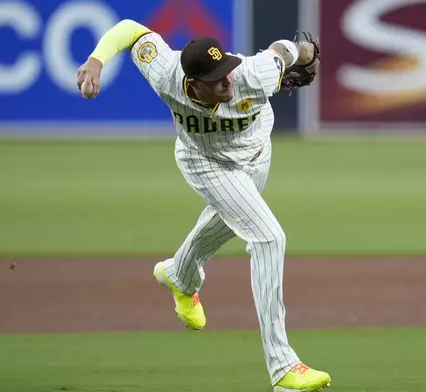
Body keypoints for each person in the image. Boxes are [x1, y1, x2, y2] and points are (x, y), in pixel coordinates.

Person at [76, 19, 329, 392]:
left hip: (257, 155)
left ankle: (179, 274)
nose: (227, 81)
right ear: (192, 84)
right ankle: (284, 368)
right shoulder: (165, 72)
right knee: (268, 238)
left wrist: (306, 53)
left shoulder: (252, 74)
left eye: (226, 70)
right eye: (216, 79)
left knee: (228, 221)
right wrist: (97, 59)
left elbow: (283, 51)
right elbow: (130, 30)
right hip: (205, 163)